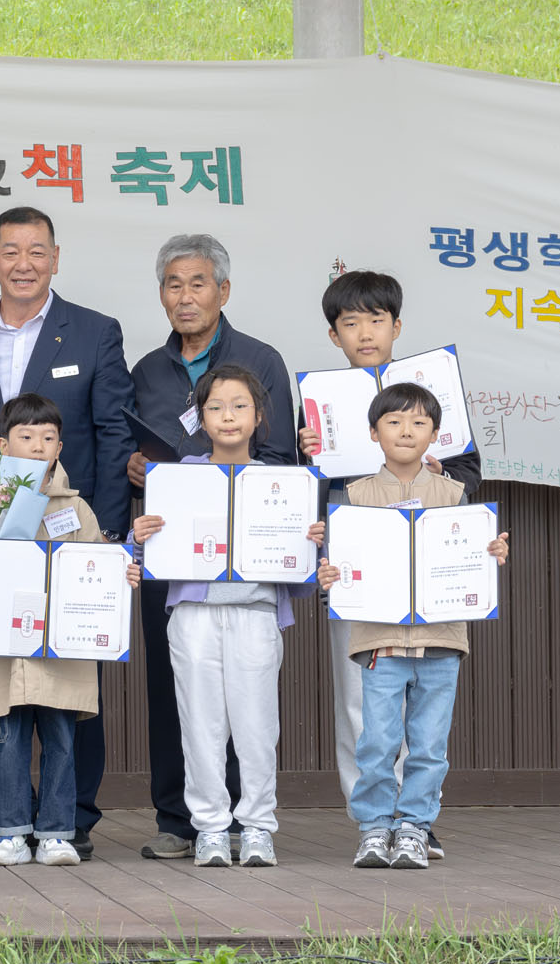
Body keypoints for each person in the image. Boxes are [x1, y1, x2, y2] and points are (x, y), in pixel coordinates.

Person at [0, 205, 135, 859]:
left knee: (70, 686)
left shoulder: (95, 332)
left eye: (37, 251)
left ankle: (69, 821)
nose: (24, 264)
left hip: (70, 537)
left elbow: (112, 434)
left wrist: (103, 541)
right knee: (1, 692)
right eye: (11, 251)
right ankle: (10, 820)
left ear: (56, 258)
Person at [124, 234, 294, 862]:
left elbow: (284, 464)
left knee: (252, 715)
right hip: (180, 572)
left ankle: (251, 824)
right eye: (174, 284)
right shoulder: (146, 370)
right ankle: (185, 822)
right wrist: (138, 473)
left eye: (198, 283)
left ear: (223, 290)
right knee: (180, 700)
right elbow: (130, 448)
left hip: (249, 582)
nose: (186, 296)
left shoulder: (261, 360)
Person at [301, 270, 481, 861]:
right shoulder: (319, 401)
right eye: (351, 323)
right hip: (359, 574)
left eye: (376, 320)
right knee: (362, 700)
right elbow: (298, 493)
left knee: (424, 712)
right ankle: (372, 822)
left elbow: (470, 475)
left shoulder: (431, 393)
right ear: (334, 335)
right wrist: (308, 459)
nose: (365, 333)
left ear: (397, 327)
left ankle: (416, 821)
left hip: (428, 575)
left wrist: (437, 482)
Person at [128, 365, 319, 868]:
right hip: (194, 615)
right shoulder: (177, 477)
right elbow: (146, 556)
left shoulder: (282, 483)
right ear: (200, 417)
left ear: (259, 416)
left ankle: (257, 827)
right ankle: (210, 828)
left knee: (258, 728)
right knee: (200, 726)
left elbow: (301, 581)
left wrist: (310, 549)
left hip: (255, 614)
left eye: (239, 406)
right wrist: (138, 538)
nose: (228, 416)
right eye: (215, 407)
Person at [318, 383, 509, 870]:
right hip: (378, 641)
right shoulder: (355, 497)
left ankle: (415, 828)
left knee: (429, 746)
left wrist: (491, 552)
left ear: (436, 435)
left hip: (441, 641)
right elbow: (340, 566)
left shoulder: (455, 495)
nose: (406, 431)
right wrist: (330, 574)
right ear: (373, 433)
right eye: (394, 421)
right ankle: (374, 827)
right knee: (377, 742)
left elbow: (472, 556)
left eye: (419, 422)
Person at [0, 394, 103, 867]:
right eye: (26, 436)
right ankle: (11, 832)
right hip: (6, 650)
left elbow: (97, 566)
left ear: (60, 447)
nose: (38, 446)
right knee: (9, 740)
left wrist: (116, 576)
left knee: (62, 740)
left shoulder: (78, 510)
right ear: (3, 446)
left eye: (47, 437)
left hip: (62, 652)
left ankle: (57, 832)